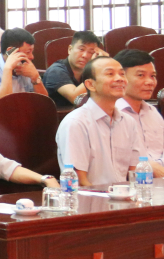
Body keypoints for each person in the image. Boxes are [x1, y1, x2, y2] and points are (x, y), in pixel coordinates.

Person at [55, 56, 140, 186]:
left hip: (125, 195)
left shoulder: (129, 122)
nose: (120, 79)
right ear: (90, 84)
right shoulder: (76, 123)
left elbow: (136, 173)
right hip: (90, 197)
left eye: (122, 74)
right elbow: (79, 182)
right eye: (110, 74)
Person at [114, 49, 164, 176]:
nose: (150, 82)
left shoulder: (152, 111)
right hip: (145, 181)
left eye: (153, 76)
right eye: (141, 75)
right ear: (121, 78)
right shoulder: (113, 115)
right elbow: (122, 161)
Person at [0, 28, 48, 117]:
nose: (32, 57)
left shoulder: (25, 66)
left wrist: (35, 77)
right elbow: (1, 106)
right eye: (28, 52)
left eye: (32, 52)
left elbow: (44, 104)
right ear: (10, 51)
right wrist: (8, 69)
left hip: (20, 117)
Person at [43, 31, 107, 108]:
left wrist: (106, 64)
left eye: (91, 52)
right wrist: (96, 67)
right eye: (81, 49)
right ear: (70, 49)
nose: (85, 55)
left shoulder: (88, 69)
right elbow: (76, 98)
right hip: (61, 114)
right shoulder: (56, 71)